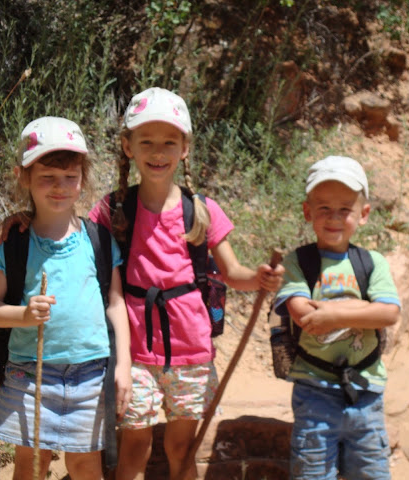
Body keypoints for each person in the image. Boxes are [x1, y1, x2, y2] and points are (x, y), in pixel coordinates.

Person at [86, 87, 285, 480]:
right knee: (134, 450)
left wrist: (260, 278)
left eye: (169, 142)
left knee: (182, 449)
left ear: (185, 148)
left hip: (191, 350)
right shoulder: (113, 210)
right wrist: (23, 223)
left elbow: (233, 273)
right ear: (128, 146)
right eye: (146, 141)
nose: (158, 152)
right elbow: (75, 244)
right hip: (134, 351)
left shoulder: (202, 211)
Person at [0, 116, 132, 480]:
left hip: (91, 373)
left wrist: (123, 364)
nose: (60, 186)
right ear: (23, 177)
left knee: (84, 465)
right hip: (29, 374)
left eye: (70, 176)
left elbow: (115, 303)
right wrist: (23, 315)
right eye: (47, 176)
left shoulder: (98, 240)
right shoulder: (13, 243)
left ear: (83, 178)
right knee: (32, 465)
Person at [273, 156, 401, 480]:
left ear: (364, 214)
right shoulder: (298, 262)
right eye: (324, 208)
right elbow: (304, 316)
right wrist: (363, 311)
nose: (334, 218)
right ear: (307, 212)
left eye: (345, 209)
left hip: (366, 391)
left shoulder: (372, 263)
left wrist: (333, 313)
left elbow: (389, 312)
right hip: (314, 390)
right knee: (312, 473)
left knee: (371, 472)